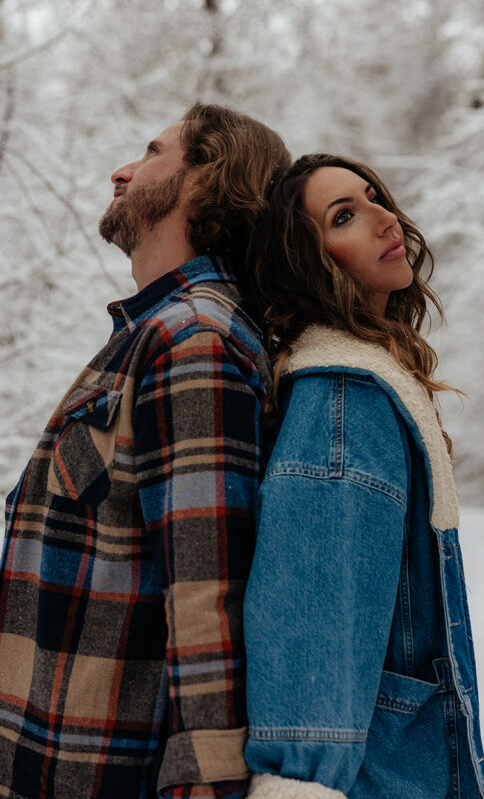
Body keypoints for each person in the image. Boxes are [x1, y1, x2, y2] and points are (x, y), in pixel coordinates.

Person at [0, 102, 291, 799]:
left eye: (153, 152)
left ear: (206, 178)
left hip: (97, 775)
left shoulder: (193, 342)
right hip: (48, 761)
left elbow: (206, 589)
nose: (122, 170)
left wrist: (206, 781)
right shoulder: (156, 334)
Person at [242, 155, 484, 799]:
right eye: (344, 216)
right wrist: (302, 782)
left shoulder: (372, 380)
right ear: (306, 261)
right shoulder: (344, 403)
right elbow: (313, 631)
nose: (385, 218)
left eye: (374, 195)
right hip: (376, 777)